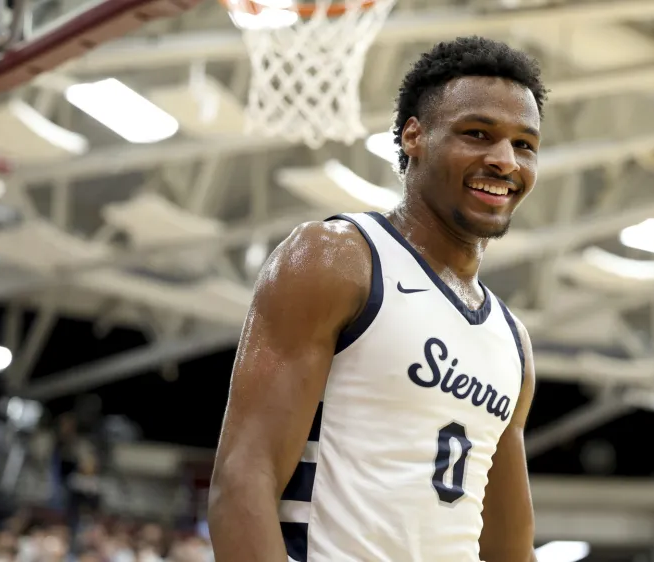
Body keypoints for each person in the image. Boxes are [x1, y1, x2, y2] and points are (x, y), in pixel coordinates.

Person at [208, 35, 547, 562]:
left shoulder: (512, 342)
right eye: (478, 134)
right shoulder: (336, 259)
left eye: (524, 145)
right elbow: (242, 480)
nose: (504, 160)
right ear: (415, 136)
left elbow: (508, 546)